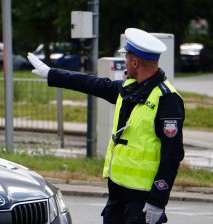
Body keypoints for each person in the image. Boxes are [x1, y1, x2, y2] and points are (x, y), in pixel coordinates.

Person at [27, 28, 185, 224]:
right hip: (117, 193)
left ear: (135, 62)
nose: (124, 63)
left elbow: (173, 154)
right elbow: (91, 83)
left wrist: (157, 201)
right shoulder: (129, 88)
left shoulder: (167, 98)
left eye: (126, 58)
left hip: (143, 199)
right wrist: (52, 73)